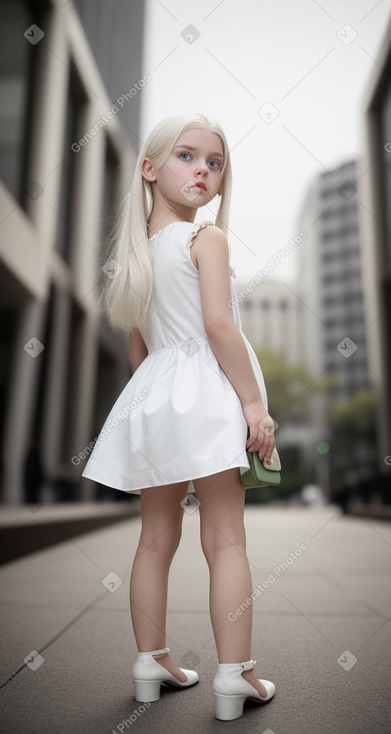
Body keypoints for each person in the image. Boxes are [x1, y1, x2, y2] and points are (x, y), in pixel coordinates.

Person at [82, 112, 276, 721]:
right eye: (187, 157)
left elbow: (140, 354)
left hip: (156, 396)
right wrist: (252, 404)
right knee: (225, 540)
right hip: (209, 396)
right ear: (149, 168)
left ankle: (151, 660)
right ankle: (234, 675)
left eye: (213, 163)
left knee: (154, 540)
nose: (203, 171)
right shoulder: (206, 238)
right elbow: (219, 325)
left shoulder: (136, 257)